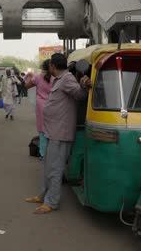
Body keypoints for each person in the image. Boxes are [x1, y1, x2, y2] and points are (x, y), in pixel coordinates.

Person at [25, 53, 90, 214]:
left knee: (55, 169)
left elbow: (79, 94)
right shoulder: (59, 79)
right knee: (48, 166)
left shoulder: (67, 78)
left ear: (53, 66)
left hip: (61, 133)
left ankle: (51, 202)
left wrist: (83, 84)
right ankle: (44, 195)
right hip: (52, 131)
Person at [24, 59, 53, 159]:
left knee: (42, 130)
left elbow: (26, 86)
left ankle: (43, 154)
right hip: (53, 105)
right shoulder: (56, 78)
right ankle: (52, 153)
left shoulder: (38, 77)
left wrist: (31, 77)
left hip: (41, 106)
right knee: (53, 130)